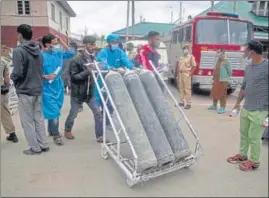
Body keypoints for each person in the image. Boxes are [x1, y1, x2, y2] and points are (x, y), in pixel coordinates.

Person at [227, 40, 268, 171]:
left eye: (245, 50)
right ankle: (242, 155)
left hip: (260, 110)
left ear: (252, 52)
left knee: (254, 137)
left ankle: (254, 161)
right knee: (244, 133)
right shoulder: (249, 67)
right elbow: (244, 87)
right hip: (247, 107)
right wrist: (237, 104)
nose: (243, 52)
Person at [11, 24, 49, 155]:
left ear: (20, 35)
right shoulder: (38, 49)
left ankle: (35, 148)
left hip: (25, 90)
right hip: (38, 89)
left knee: (27, 121)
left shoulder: (18, 51)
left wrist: (13, 79)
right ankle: (43, 144)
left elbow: (17, 72)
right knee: (38, 118)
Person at [64, 35, 105, 143]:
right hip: (77, 93)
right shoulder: (76, 59)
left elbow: (96, 74)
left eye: (94, 44)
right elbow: (74, 77)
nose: (93, 47)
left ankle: (100, 136)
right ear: (85, 45)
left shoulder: (95, 58)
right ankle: (67, 130)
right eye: (91, 44)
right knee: (73, 114)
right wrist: (87, 71)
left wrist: (100, 69)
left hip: (90, 94)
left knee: (98, 113)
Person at [41, 33, 75, 146]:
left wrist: (61, 42)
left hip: (58, 85)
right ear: (47, 44)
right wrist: (45, 76)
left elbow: (71, 53)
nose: (56, 43)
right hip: (46, 86)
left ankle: (51, 130)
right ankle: (56, 135)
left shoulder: (58, 53)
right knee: (54, 111)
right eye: (54, 41)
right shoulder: (40, 56)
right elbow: (34, 71)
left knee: (56, 109)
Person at [95, 33, 134, 121]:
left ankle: (108, 117)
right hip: (103, 79)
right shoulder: (103, 52)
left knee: (114, 100)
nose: (115, 43)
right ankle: (103, 120)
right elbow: (102, 63)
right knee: (103, 100)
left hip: (116, 79)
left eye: (116, 42)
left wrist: (133, 67)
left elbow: (125, 61)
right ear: (109, 42)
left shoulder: (119, 51)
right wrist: (111, 68)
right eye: (113, 42)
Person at [1, 45, 18, 143]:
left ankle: (12, 134)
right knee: (4, 112)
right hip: (2, 91)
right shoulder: (4, 61)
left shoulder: (3, 61)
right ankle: (12, 133)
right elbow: (6, 78)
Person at [208, 49, 232, 114]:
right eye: (217, 53)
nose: (218, 54)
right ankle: (214, 105)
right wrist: (213, 78)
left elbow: (230, 71)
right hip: (216, 79)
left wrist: (227, 78)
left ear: (223, 53)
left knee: (222, 94)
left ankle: (222, 107)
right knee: (215, 92)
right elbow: (215, 69)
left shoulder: (226, 61)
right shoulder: (218, 60)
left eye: (219, 53)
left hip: (223, 80)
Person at [177, 44, 197, 109]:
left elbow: (194, 66)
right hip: (181, 74)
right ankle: (181, 102)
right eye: (184, 48)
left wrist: (190, 74)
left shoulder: (191, 57)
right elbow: (179, 66)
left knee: (187, 89)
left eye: (187, 48)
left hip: (186, 74)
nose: (185, 50)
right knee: (181, 88)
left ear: (189, 49)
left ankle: (189, 103)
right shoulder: (181, 57)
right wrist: (177, 75)